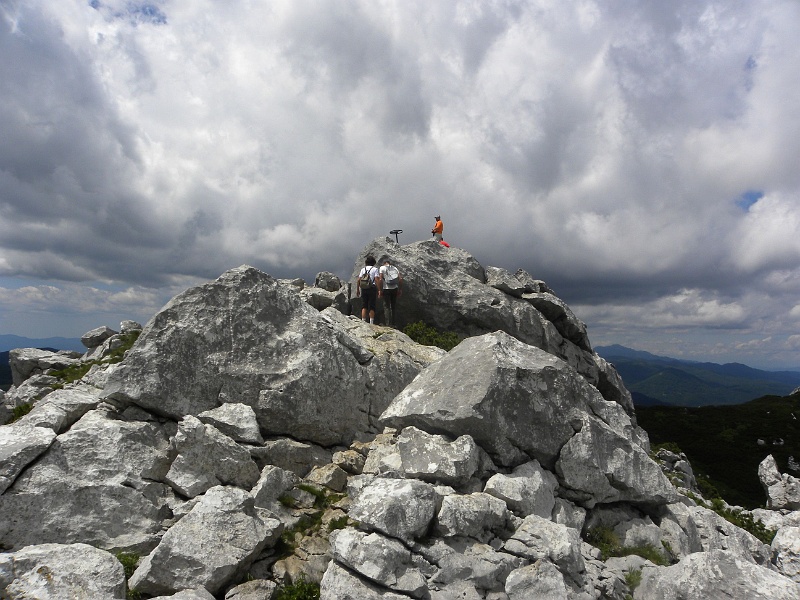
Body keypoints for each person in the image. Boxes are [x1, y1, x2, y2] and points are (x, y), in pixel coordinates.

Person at [377, 259, 403, 327]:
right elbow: (400, 279)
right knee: (393, 306)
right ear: (389, 263)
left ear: (384, 263)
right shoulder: (395, 268)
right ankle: (393, 323)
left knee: (386, 306)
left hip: (386, 289)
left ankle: (388, 324)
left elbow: (380, 279)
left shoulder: (382, 268)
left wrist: (380, 290)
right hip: (395, 288)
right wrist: (400, 289)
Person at [356, 255, 379, 324]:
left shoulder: (363, 269)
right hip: (372, 288)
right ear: (373, 262)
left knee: (364, 305)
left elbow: (358, 280)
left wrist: (358, 289)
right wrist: (379, 289)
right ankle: (371, 322)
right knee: (372, 305)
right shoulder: (375, 269)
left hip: (364, 288)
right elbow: (376, 279)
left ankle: (363, 321)